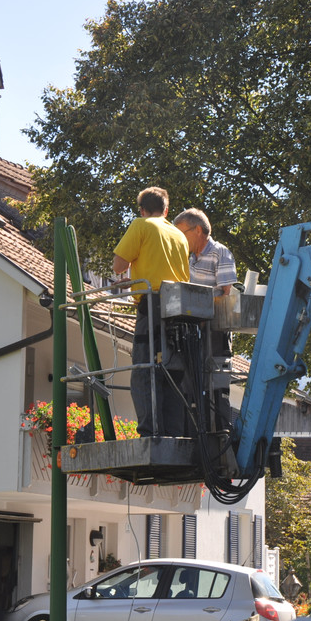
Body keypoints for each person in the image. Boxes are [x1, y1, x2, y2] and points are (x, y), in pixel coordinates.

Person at [113, 187, 190, 437]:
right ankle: (174, 433)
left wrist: (132, 276)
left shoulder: (141, 225)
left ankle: (149, 432)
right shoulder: (179, 235)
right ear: (166, 211)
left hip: (153, 304)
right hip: (180, 308)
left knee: (145, 369)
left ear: (142, 210)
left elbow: (118, 265)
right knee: (172, 371)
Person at [173, 208, 238, 431]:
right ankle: (194, 428)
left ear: (198, 230)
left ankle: (219, 428)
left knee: (215, 381)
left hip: (215, 329)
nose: (180, 239)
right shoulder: (189, 258)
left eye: (182, 233)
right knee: (191, 380)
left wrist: (202, 313)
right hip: (194, 328)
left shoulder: (220, 252)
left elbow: (226, 293)